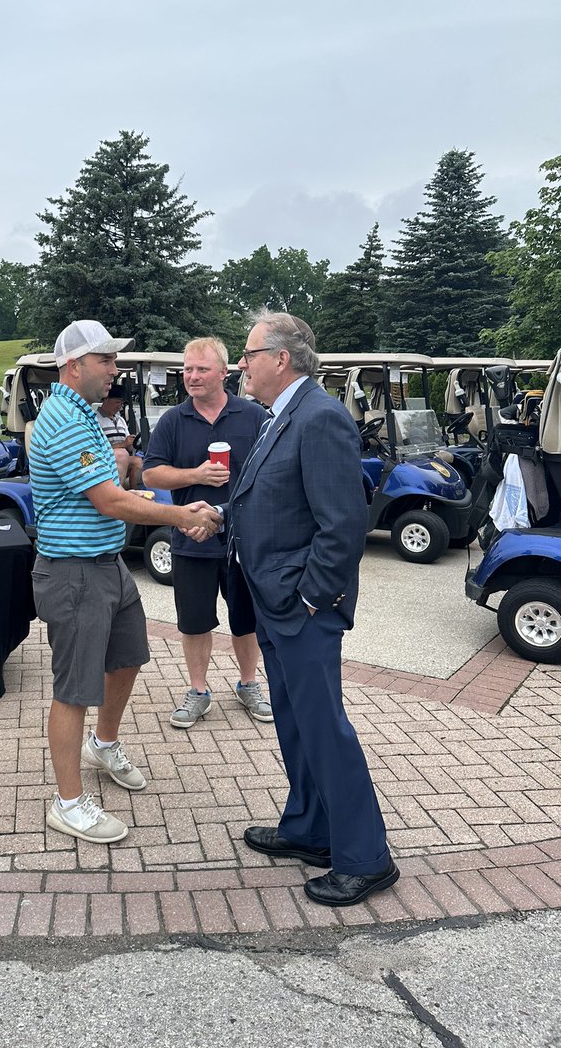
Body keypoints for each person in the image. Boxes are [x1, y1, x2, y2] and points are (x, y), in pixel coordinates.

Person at [225, 310, 398, 907]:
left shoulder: (319, 417)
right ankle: (310, 828)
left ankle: (365, 857)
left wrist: (308, 596)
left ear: (281, 359)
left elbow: (343, 523)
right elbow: (274, 502)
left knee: (324, 728)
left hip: (301, 606)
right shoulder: (282, 415)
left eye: (247, 355)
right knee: (295, 722)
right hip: (273, 601)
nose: (239, 366)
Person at [28, 319, 222, 845]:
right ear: (75, 366)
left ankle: (104, 743)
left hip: (106, 564)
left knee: (129, 657)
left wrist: (159, 488)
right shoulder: (64, 420)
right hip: (73, 572)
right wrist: (182, 516)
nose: (115, 370)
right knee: (73, 690)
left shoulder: (84, 415)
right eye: (106, 361)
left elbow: (117, 484)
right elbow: (108, 500)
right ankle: (67, 803)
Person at [141, 336, 272, 728]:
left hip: (243, 540)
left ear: (224, 372)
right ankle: (198, 691)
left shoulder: (253, 417)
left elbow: (270, 473)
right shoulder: (173, 420)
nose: (192, 377)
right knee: (194, 622)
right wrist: (195, 475)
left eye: (201, 369)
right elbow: (151, 472)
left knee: (245, 619)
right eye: (188, 370)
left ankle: (249, 684)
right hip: (191, 538)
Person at [96, 384, 141, 489]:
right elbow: (97, 446)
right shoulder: (95, 419)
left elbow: (128, 445)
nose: (119, 407)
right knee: (123, 454)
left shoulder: (120, 420)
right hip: (104, 459)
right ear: (106, 399)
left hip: (123, 459)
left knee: (138, 460)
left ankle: (136, 492)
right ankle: (117, 491)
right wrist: (122, 444)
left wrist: (131, 443)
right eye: (117, 402)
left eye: (121, 403)